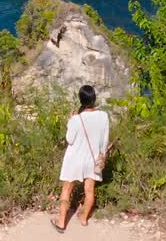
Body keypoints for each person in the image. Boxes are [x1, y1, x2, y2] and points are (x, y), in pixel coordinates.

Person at [51, 84, 110, 232]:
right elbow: (105, 140)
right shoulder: (103, 116)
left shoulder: (76, 119)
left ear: (80, 100)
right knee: (89, 189)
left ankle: (61, 222)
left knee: (67, 189)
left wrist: (70, 121)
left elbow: (70, 139)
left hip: (74, 160)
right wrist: (101, 156)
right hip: (92, 159)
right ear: (94, 98)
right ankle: (83, 218)